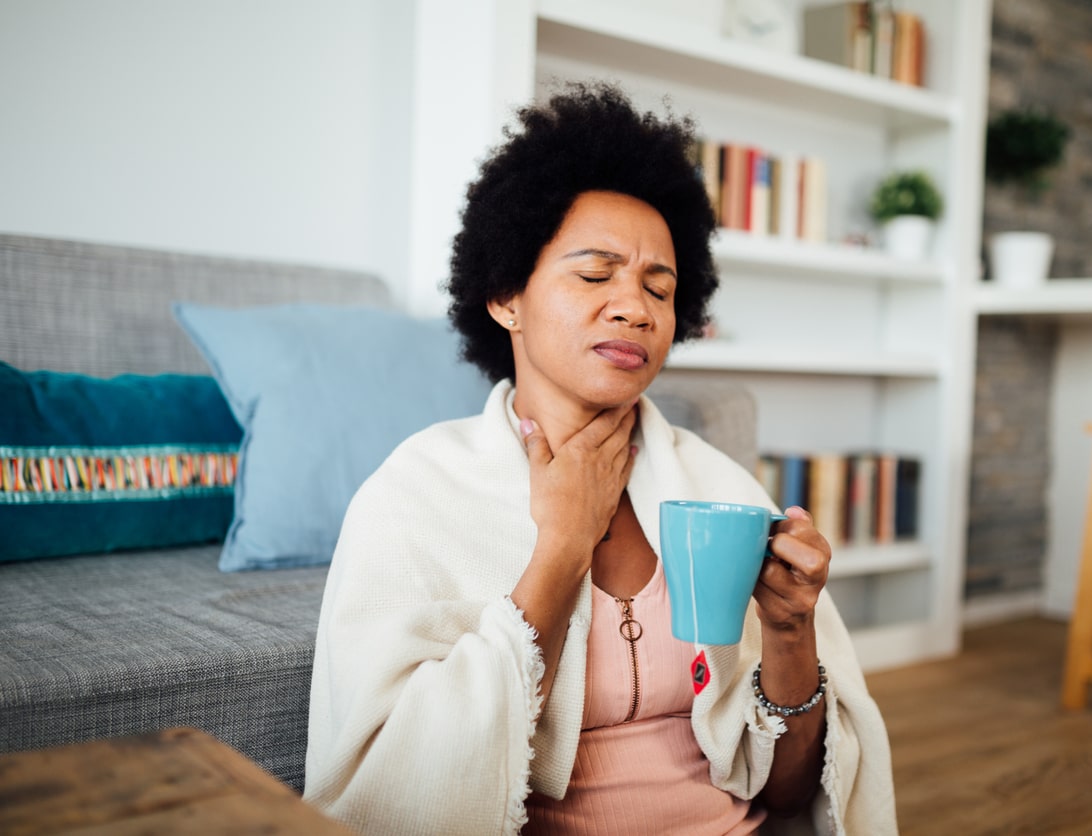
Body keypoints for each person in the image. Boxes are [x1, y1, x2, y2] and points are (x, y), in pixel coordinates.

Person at [303, 81, 897, 835]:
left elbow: (788, 797)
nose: (635, 307)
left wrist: (788, 633)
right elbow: (396, 789)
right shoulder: (416, 494)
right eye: (594, 275)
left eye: (660, 286)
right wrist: (562, 544)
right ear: (505, 295)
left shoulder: (719, 489)